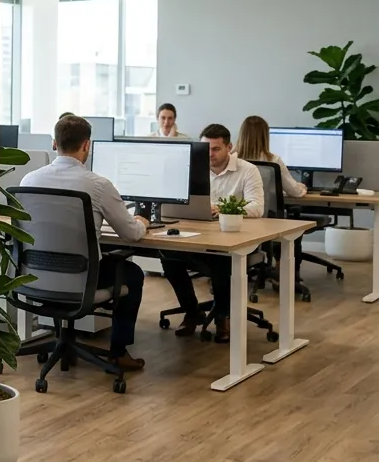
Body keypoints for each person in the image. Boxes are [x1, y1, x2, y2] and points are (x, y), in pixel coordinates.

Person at [21, 114, 149, 371]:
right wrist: (143, 221)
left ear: (55, 144)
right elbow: (132, 234)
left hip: (36, 277)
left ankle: (61, 338)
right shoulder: (99, 185)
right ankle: (118, 352)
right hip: (82, 279)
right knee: (132, 273)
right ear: (87, 145)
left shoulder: (28, 181)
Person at [161, 123, 264, 343]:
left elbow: (257, 207)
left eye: (216, 149)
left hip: (235, 237)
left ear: (229, 147)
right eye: (205, 148)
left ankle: (222, 317)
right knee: (168, 256)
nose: (210, 154)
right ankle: (192, 311)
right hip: (198, 234)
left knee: (221, 261)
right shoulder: (192, 168)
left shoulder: (247, 170)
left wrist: (224, 209)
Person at [235, 115, 307, 199]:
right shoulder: (273, 160)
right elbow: (295, 192)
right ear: (265, 136)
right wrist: (302, 187)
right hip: (263, 211)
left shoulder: (229, 159)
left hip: (233, 211)